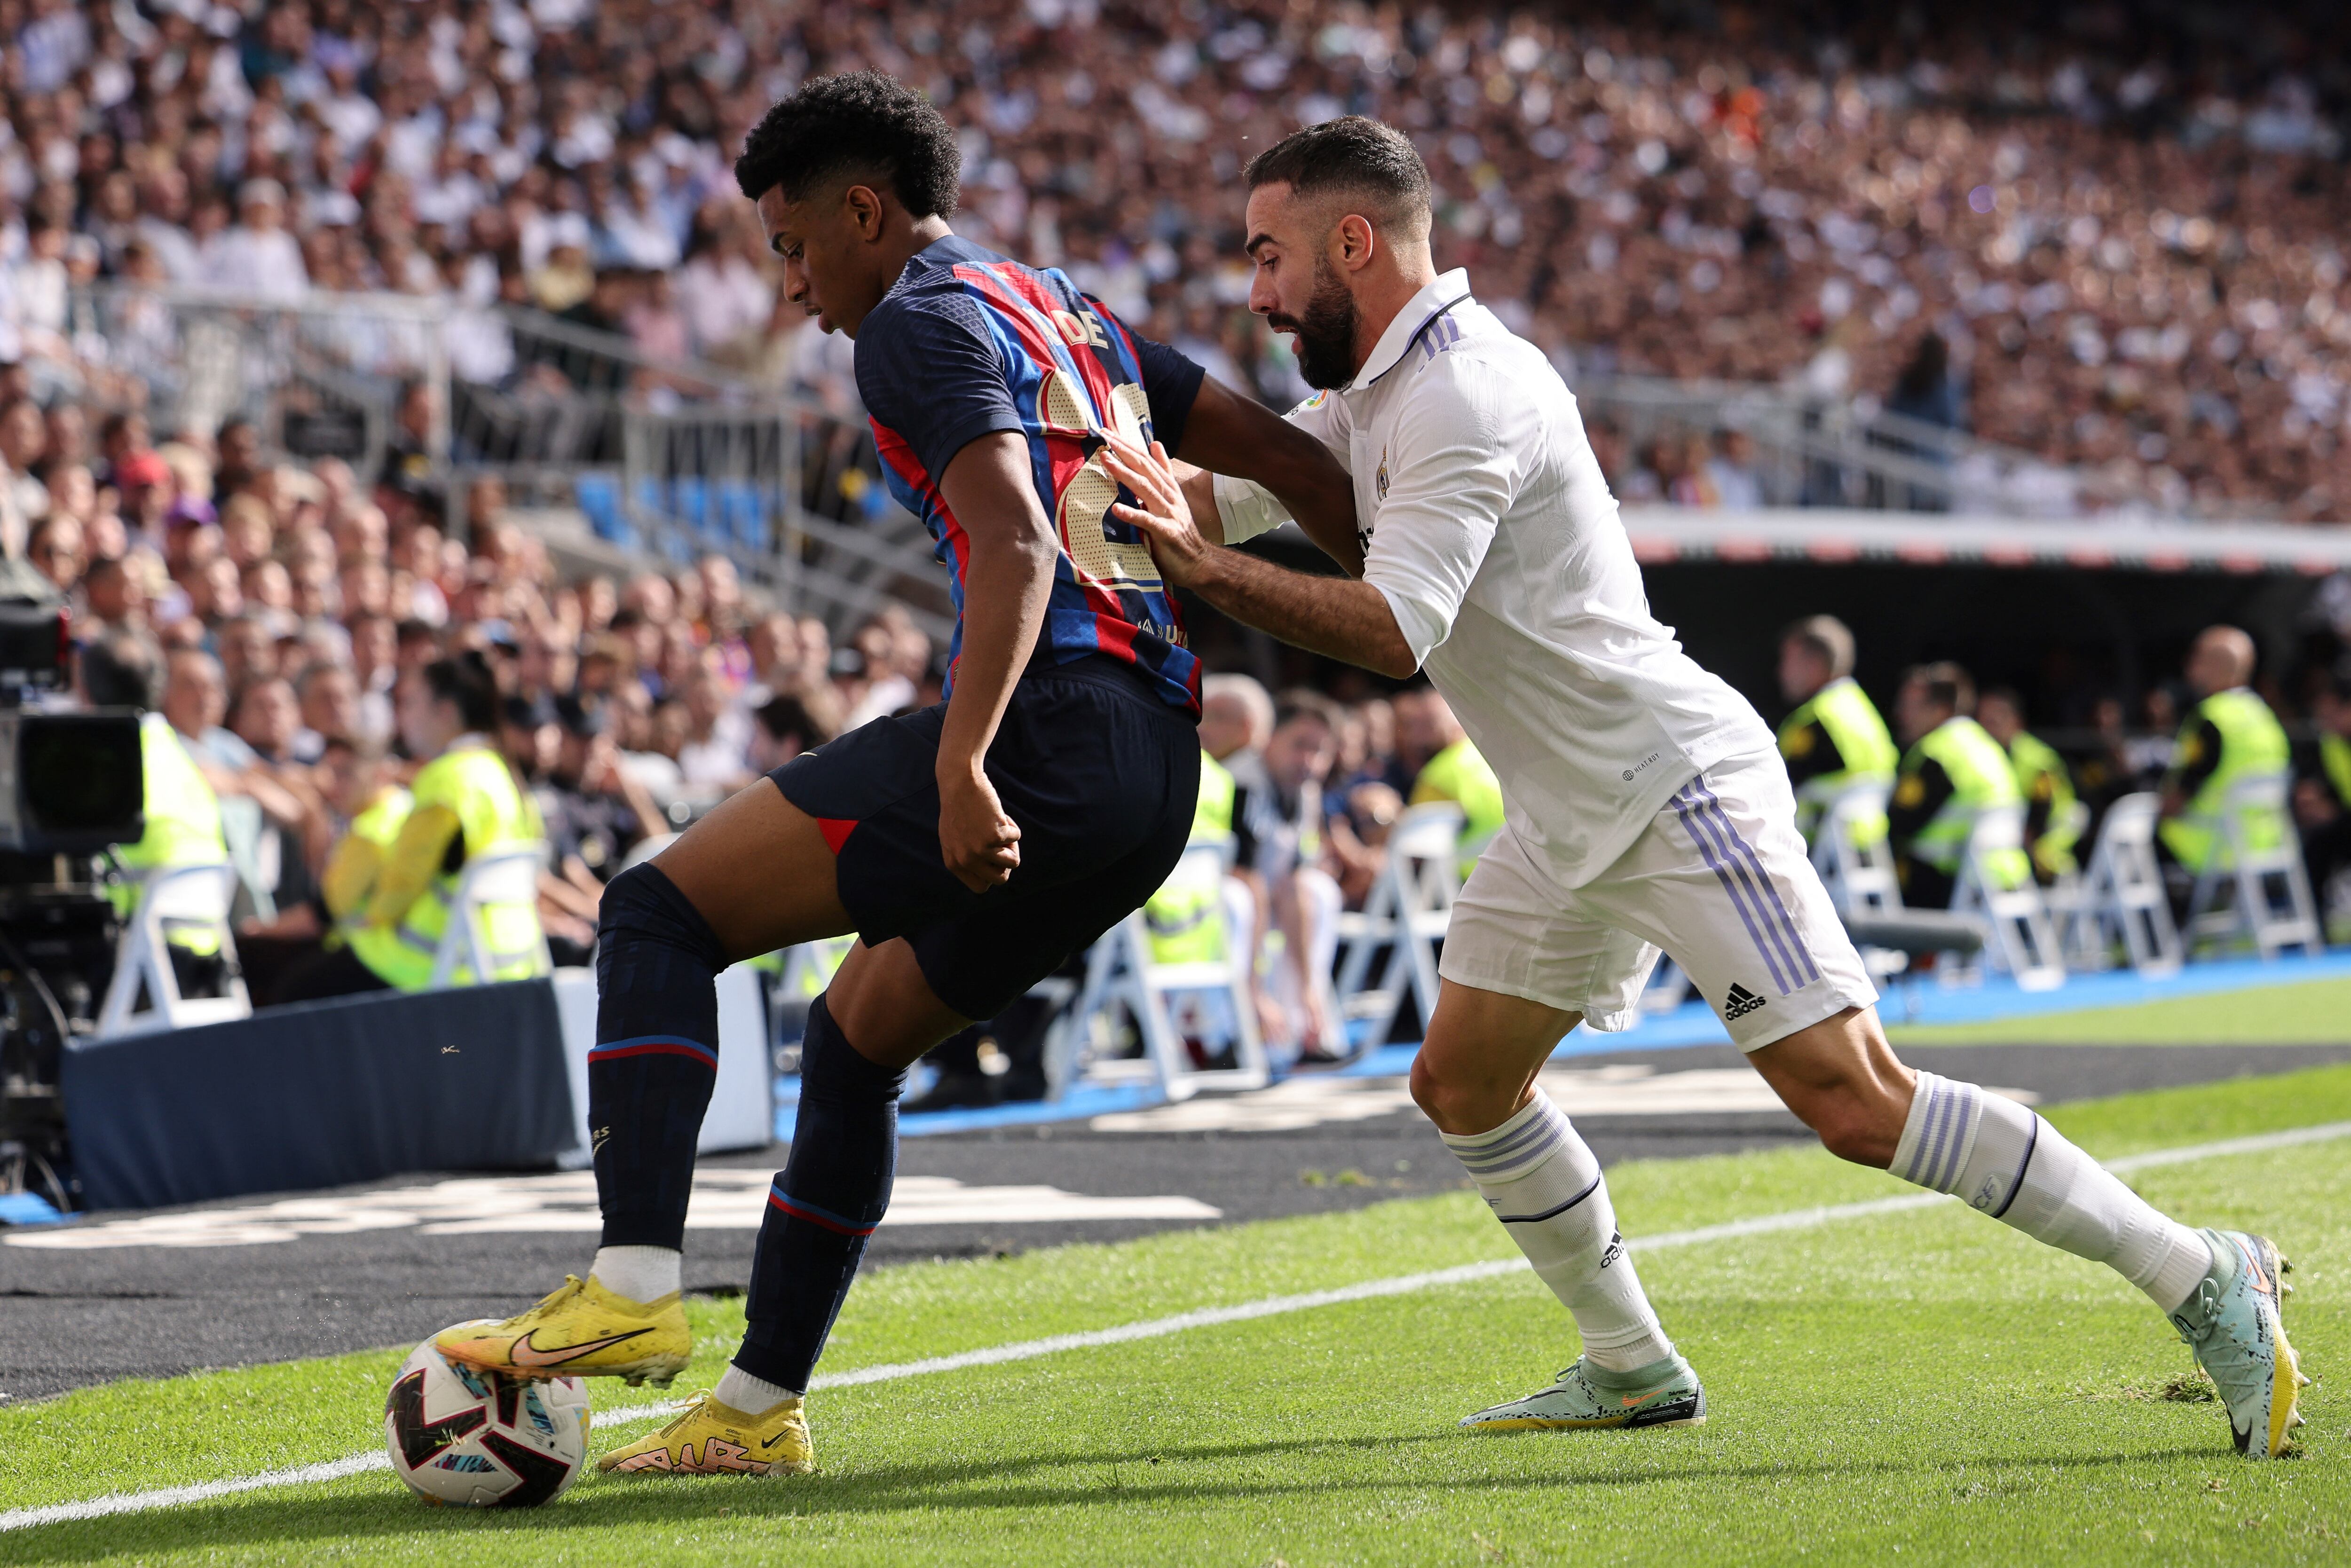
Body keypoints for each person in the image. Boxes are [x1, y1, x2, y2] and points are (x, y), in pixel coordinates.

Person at [1101, 115, 2300, 1458]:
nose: (1256, 292)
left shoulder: (1465, 390)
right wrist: (1081, 497)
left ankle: (2204, 1271)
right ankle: (1632, 1362)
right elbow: (1231, 498)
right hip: (1567, 812)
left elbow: (1394, 630)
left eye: (1270, 256)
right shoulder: (1379, 391)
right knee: (1463, 1082)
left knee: (1856, 1100)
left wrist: (1199, 573)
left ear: (1355, 241)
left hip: (1668, 783)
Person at [432, 73, 1356, 1478]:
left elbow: (1018, 546)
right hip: (1154, 773)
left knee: (654, 911)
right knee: (856, 1036)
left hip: (1047, 730)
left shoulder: (914, 325)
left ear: (865, 211)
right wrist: (1394, 579)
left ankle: (629, 1284)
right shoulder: (1059, 302)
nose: (791, 285)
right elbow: (1291, 457)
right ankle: (754, 1414)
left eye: (796, 246)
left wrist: (968, 761)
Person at [273, 653, 544, 1001]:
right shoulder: (500, 771)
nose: (403, 718)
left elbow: (402, 882)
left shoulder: (448, 777)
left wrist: (372, 917)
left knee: (291, 990)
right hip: (511, 958)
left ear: (445, 711)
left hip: (429, 959)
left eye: (411, 703)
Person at [2157, 626, 2294, 898]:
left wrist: (2156, 811)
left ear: (2214, 665)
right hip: (2264, 843)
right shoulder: (2264, 716)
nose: (2190, 666)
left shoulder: (2212, 718)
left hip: (2208, 845)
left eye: (2196, 657)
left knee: (2135, 835)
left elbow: (2181, 793)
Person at [1886, 662, 2029, 910]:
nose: (1900, 713)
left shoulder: (1937, 753)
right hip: (2000, 876)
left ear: (1940, 710)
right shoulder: (1983, 742)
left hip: (1948, 885)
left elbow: (1898, 826)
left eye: (1911, 705)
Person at [1775, 615, 1898, 853]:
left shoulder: (1817, 718)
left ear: (1814, 664)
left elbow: (1774, 788)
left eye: (1787, 660)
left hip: (1821, 849)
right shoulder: (1861, 707)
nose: (1781, 671)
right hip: (1867, 844)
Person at [1977, 686, 2083, 886]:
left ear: (2016, 722)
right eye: (1982, 721)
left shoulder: (2036, 758)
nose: (1988, 728)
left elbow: (2040, 816)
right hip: (2006, 845)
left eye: (1995, 720)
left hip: (2048, 847)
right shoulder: (1981, 755)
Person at [1397, 686, 1504, 873]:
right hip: (1515, 867)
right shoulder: (1492, 755)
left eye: (1428, 725)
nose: (1418, 737)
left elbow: (1414, 846)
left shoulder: (1437, 775)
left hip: (1468, 881)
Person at [2293, 662, 2351, 935]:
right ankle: (2312, 931)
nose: (2323, 719)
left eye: (2330, 711)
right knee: (2317, 842)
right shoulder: (2331, 742)